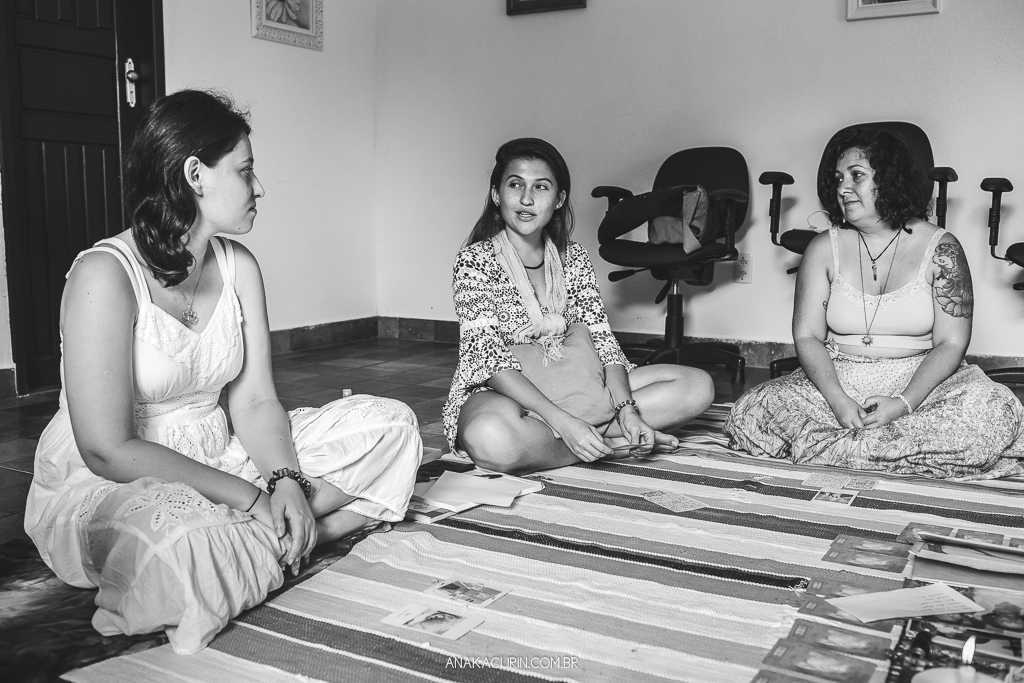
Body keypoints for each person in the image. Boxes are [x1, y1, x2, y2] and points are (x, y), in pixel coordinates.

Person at [24, 89, 422, 654]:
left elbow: (255, 401)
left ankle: (272, 542)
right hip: (122, 477)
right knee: (180, 543)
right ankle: (296, 534)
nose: (259, 187)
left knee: (393, 426)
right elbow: (106, 449)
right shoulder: (104, 274)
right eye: (245, 169)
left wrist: (284, 481)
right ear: (195, 175)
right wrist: (252, 499)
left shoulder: (240, 266)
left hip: (221, 453)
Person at [725, 127, 1024, 479]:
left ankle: (843, 449)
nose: (842, 188)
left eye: (857, 176)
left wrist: (904, 404)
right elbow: (807, 335)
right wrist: (838, 401)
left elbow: (952, 342)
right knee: (755, 409)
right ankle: (888, 451)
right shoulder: (823, 248)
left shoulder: (942, 248)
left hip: (920, 382)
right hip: (840, 378)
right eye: (839, 178)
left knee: (991, 410)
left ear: (891, 180)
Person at [442, 137, 714, 474]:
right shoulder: (474, 260)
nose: (526, 199)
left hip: (580, 382)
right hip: (510, 395)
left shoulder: (574, 257)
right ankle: (611, 446)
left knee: (697, 387)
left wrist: (627, 409)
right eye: (515, 184)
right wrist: (563, 421)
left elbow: (602, 340)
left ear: (559, 199)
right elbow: (487, 357)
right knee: (489, 437)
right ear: (497, 194)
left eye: (541, 187)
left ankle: (576, 439)